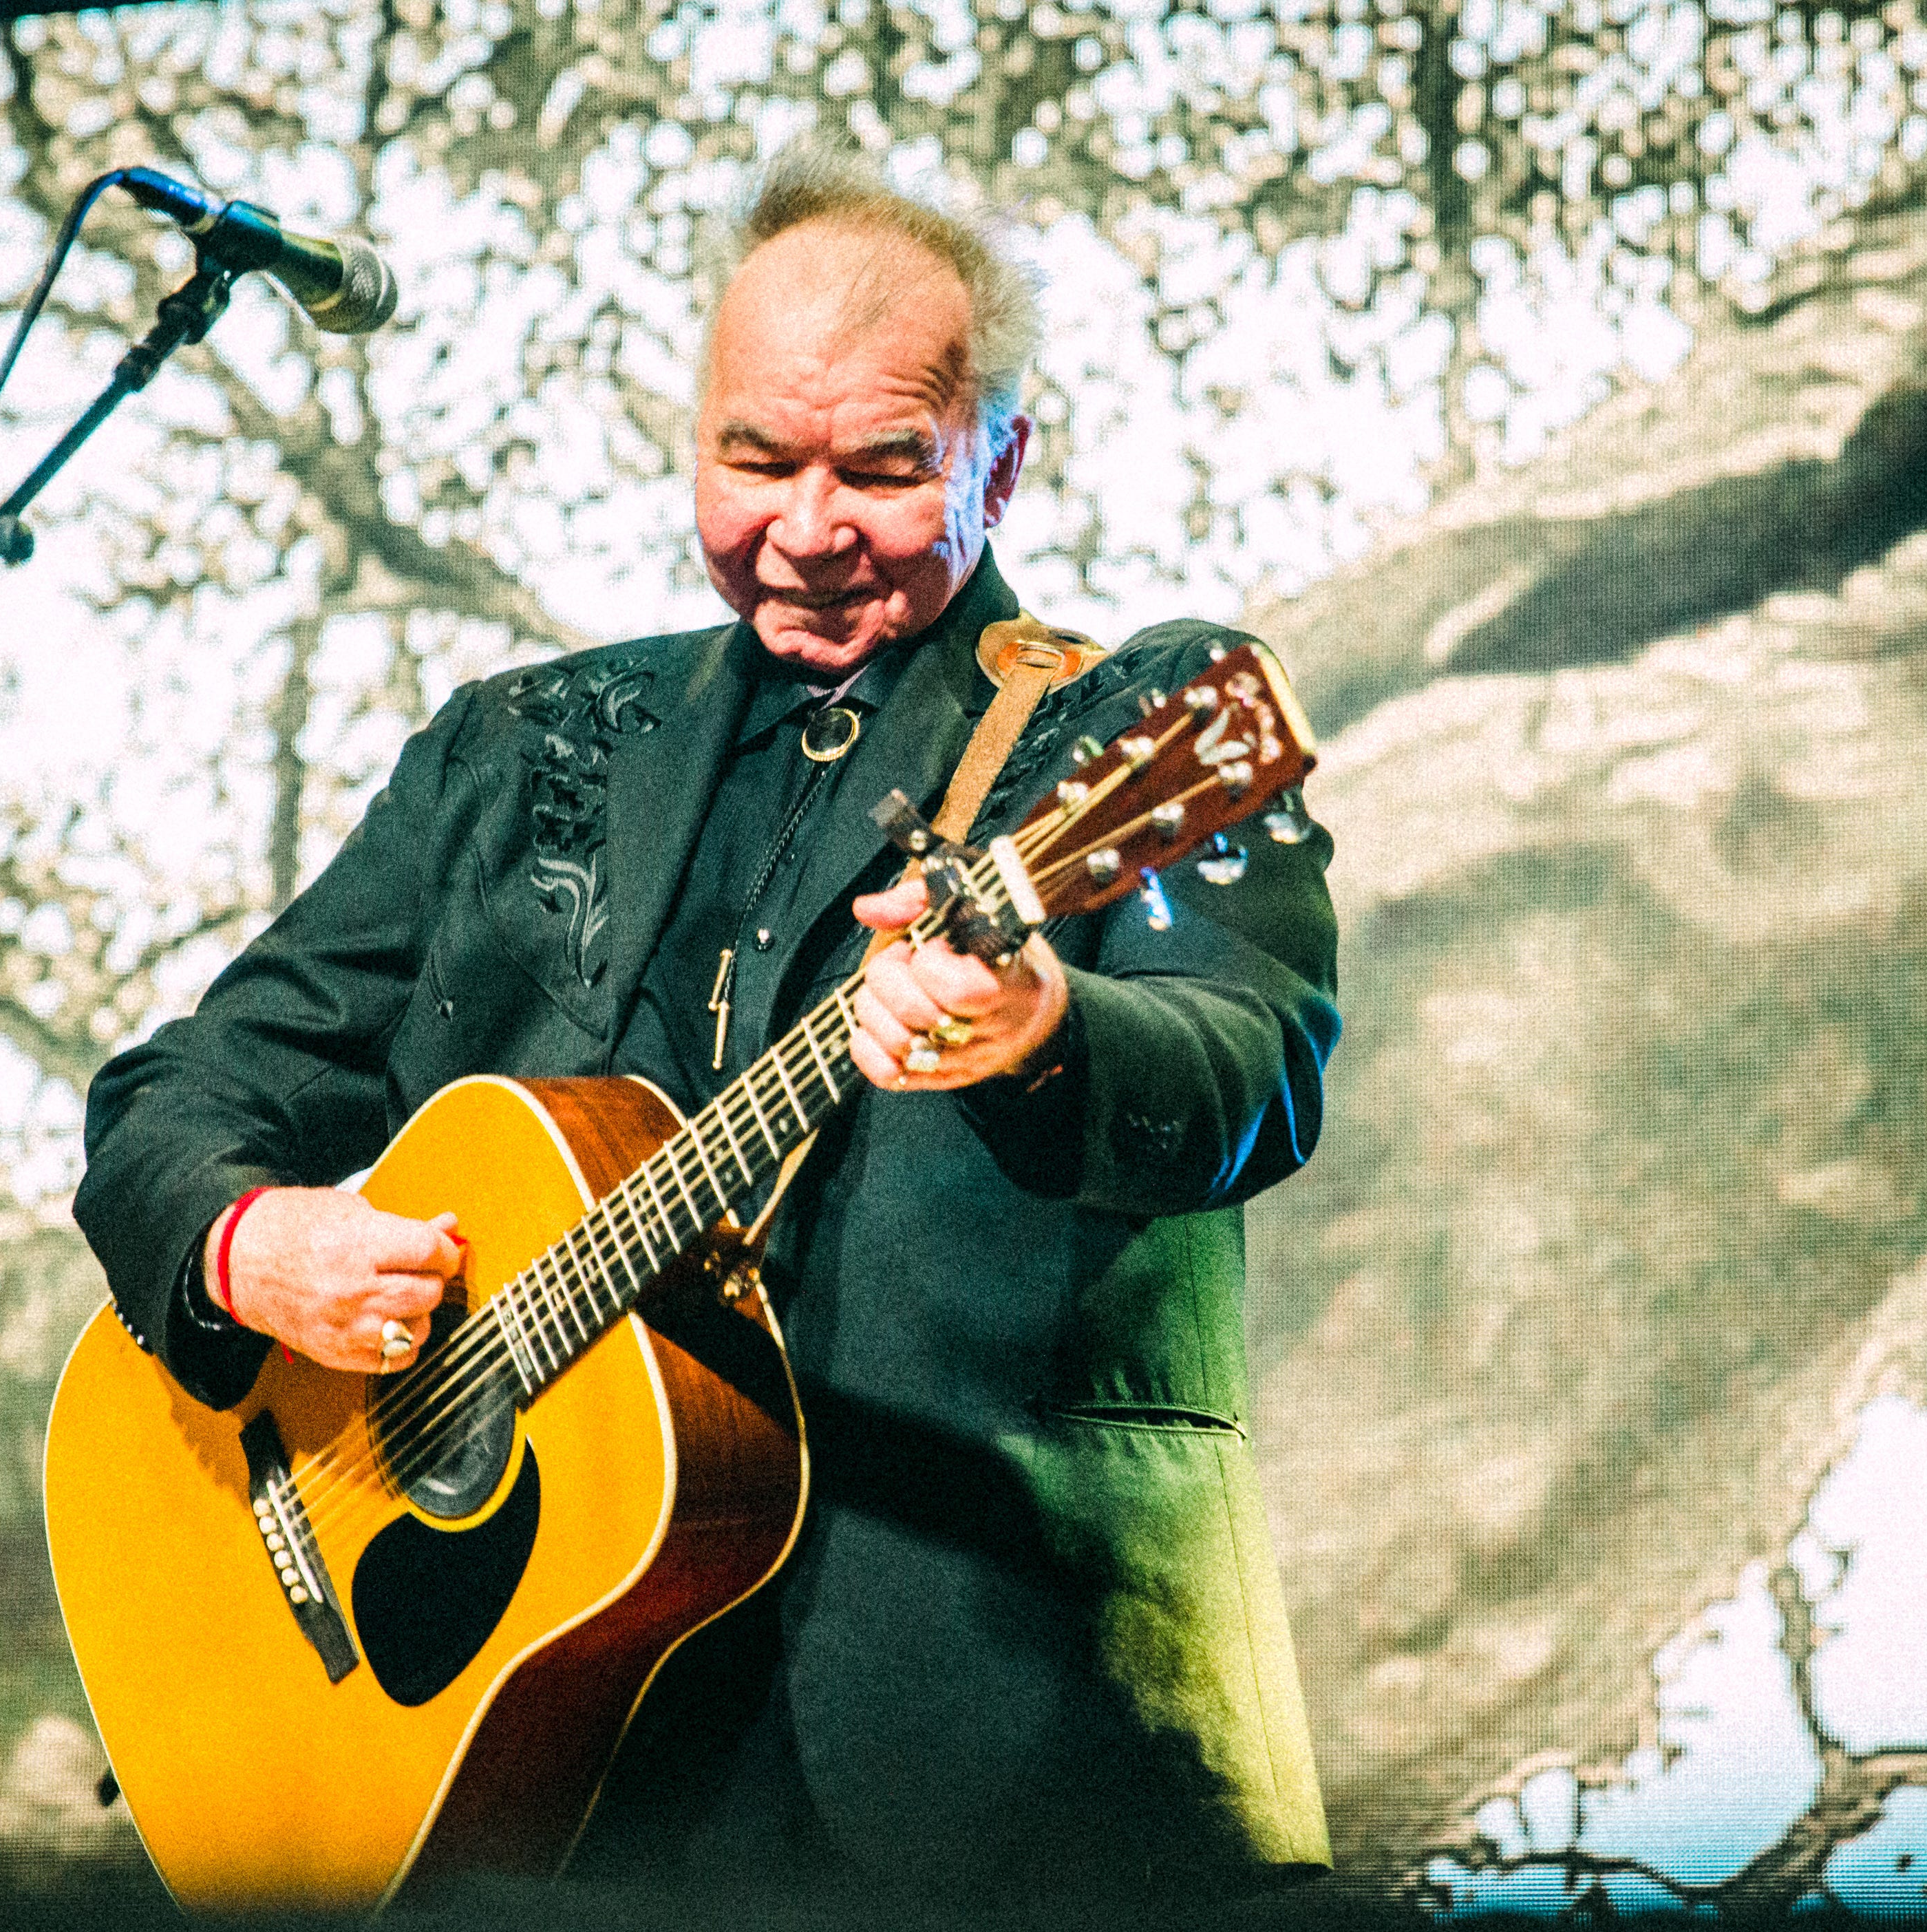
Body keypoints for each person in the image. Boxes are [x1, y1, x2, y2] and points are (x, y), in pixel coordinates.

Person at [73, 145, 1339, 1912]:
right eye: (758, 459)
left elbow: (1254, 1068)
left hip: (1007, 1754)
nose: (808, 528)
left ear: (999, 458)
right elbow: (184, 1092)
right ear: (696, 442)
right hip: (562, 1785)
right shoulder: (520, 751)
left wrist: (1043, 1026)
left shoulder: (1127, 731)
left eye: (885, 469)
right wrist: (245, 1240)